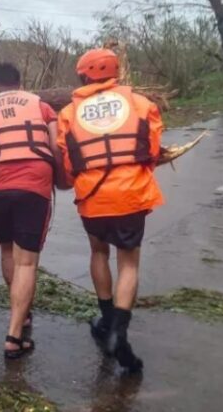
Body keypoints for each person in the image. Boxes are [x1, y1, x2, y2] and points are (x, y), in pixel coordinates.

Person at [57, 48, 164, 373]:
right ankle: (119, 330)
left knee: (98, 253)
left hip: (93, 198)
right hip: (131, 195)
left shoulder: (68, 113)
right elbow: (153, 152)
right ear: (115, 73)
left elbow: (68, 162)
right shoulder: (141, 104)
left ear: (83, 76)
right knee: (128, 262)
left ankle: (106, 321)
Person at [0, 63, 64, 359]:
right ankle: (14, 334)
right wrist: (60, 177)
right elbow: (56, 147)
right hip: (34, 183)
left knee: (8, 251)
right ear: (20, 84)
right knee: (27, 263)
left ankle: (21, 314)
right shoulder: (41, 106)